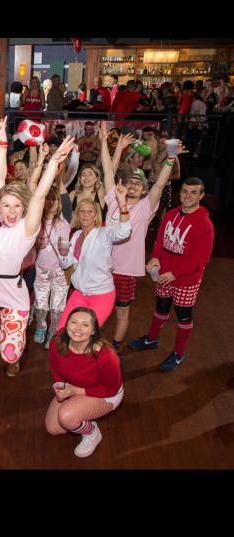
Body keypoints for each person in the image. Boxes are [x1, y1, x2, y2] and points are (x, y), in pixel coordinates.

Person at [0, 116, 76, 376]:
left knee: (10, 354)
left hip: (14, 297)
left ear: (24, 208)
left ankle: (12, 350)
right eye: (6, 205)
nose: (12, 210)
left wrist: (54, 161)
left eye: (17, 206)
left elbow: (39, 195)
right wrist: (3, 143)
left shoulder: (26, 230)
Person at [99, 121, 184, 354]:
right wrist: (106, 142)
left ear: (144, 190)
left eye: (139, 183)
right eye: (130, 182)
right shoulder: (114, 201)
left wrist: (171, 156)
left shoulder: (146, 208)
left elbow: (161, 183)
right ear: (124, 186)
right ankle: (94, 344)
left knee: (122, 312)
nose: (134, 185)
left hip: (126, 270)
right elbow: (108, 171)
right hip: (103, 266)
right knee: (98, 309)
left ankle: (114, 349)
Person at [129, 177, 214, 372]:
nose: (188, 196)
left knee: (183, 317)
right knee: (161, 308)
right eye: (184, 191)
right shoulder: (171, 214)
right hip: (163, 274)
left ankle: (178, 353)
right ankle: (152, 339)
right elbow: (160, 240)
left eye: (193, 192)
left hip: (186, 280)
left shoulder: (205, 224)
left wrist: (175, 274)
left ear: (201, 196)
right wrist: (155, 257)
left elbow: (200, 260)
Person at [46, 307, 123, 458]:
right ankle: (83, 418)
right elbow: (55, 367)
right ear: (66, 324)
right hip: (74, 385)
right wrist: (61, 386)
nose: (77, 328)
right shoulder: (57, 340)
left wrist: (76, 391)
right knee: (54, 428)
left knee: (66, 417)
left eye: (85, 325)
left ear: (93, 331)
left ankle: (92, 433)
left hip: (105, 394)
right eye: (73, 322)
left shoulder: (106, 355)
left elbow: (111, 389)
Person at [57, 182, 131, 329]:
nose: (85, 215)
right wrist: (63, 254)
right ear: (77, 215)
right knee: (62, 329)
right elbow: (65, 264)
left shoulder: (104, 233)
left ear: (96, 215)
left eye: (90, 211)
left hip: (101, 294)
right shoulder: (76, 235)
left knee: (87, 332)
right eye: (82, 211)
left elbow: (124, 232)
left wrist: (122, 201)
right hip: (79, 292)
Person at [32, 187, 72, 350]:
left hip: (59, 273)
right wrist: (36, 245)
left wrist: (64, 250)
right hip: (41, 270)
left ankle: (53, 332)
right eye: (47, 198)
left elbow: (66, 249)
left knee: (57, 308)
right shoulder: (36, 222)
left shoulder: (64, 223)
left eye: (54, 199)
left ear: (58, 203)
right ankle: (40, 327)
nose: (51, 202)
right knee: (40, 305)